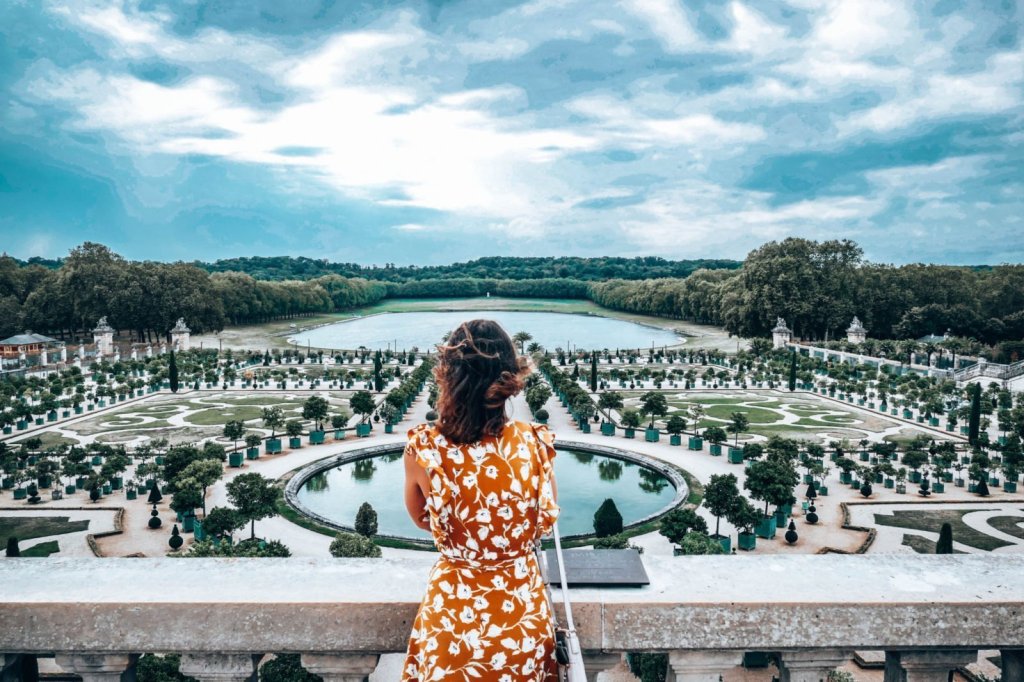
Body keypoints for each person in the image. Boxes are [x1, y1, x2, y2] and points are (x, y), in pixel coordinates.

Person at [402, 319, 560, 681]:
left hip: (453, 624)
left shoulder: (425, 448)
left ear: (447, 375)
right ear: (510, 377)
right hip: (522, 621)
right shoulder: (535, 442)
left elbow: (421, 519)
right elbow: (545, 516)